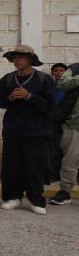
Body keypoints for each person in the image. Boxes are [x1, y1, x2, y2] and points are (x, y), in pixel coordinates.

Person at [0, 45, 55, 215]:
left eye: (20, 57)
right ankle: (12, 197)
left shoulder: (44, 80)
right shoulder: (7, 79)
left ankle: (36, 200)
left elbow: (50, 106)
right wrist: (10, 98)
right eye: (14, 57)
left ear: (30, 60)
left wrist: (29, 96)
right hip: (13, 130)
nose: (17, 60)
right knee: (11, 166)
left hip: (36, 131)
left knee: (34, 167)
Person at [49, 62, 79, 206]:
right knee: (70, 160)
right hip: (74, 125)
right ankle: (65, 191)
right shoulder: (74, 69)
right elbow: (62, 84)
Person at [47, 63, 68, 184]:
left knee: (66, 151)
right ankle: (53, 175)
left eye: (62, 70)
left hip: (66, 124)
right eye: (56, 71)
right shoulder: (49, 88)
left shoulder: (70, 88)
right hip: (51, 124)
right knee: (52, 150)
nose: (59, 73)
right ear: (52, 73)